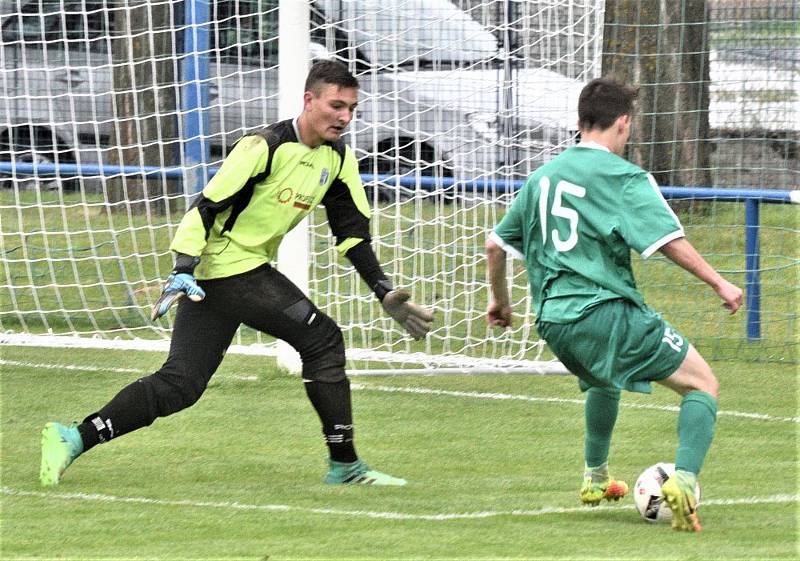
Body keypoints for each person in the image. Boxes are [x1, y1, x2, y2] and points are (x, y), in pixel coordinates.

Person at [40, 59, 434, 487]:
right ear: (309, 100)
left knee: (181, 384)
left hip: (230, 274)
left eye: (352, 108)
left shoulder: (337, 160)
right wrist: (183, 267)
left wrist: (384, 291)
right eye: (336, 105)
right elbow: (205, 207)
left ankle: (73, 438)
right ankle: (346, 466)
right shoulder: (263, 146)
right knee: (323, 340)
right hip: (228, 268)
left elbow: (353, 234)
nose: (345, 117)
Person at [485, 76, 742, 532]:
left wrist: (500, 302)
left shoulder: (541, 178)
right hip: (605, 311)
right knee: (703, 385)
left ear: (582, 121)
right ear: (622, 123)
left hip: (553, 322)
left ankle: (595, 479)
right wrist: (719, 283)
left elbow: (495, 246)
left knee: (603, 380)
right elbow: (668, 241)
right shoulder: (623, 178)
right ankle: (682, 483)